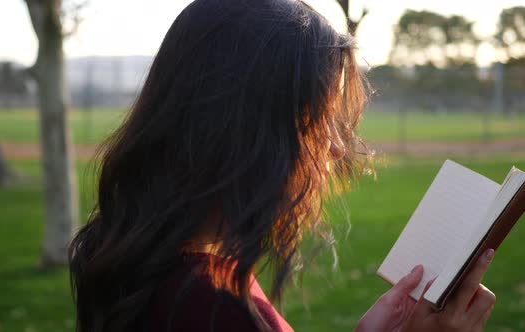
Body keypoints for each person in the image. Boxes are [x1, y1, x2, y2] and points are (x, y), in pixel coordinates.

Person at [68, 0, 496, 331]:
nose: (332, 148)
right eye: (316, 121)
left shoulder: (137, 257)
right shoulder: (209, 306)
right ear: (249, 131)